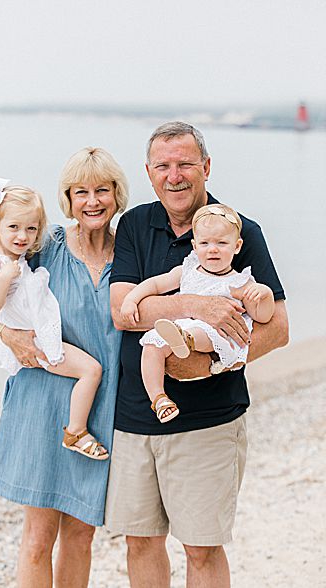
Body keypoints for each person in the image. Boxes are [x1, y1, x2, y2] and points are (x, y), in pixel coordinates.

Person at [108, 122, 288, 586]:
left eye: (186, 164)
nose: (175, 176)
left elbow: (279, 328)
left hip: (209, 421)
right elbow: (123, 311)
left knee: (202, 550)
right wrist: (195, 304)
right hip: (133, 417)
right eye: (163, 166)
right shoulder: (132, 224)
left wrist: (211, 360)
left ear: (205, 167)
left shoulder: (241, 231)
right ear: (148, 173)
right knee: (140, 541)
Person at [0, 147, 128, 586]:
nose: (92, 201)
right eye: (80, 191)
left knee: (82, 535)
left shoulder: (132, 254)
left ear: (116, 194)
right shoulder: (45, 246)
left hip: (98, 412)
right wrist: (8, 336)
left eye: (102, 190)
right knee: (37, 538)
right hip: (41, 402)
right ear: (67, 198)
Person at [0, 179, 107, 460]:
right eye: (13, 227)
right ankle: (76, 431)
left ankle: (76, 429)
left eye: (31, 228)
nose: (22, 236)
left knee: (89, 370)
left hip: (39, 337)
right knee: (91, 371)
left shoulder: (17, 258)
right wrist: (5, 278)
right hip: (38, 343)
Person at [120, 203, 276, 424]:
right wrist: (131, 299)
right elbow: (155, 285)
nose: (212, 249)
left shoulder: (239, 282)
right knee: (151, 346)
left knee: (203, 332)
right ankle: (159, 398)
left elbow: (262, 316)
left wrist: (264, 295)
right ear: (194, 246)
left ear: (237, 246)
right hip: (181, 325)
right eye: (205, 243)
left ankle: (187, 340)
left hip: (216, 333)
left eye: (222, 243)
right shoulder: (187, 271)